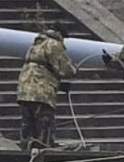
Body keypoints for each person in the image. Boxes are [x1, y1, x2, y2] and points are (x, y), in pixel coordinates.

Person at [14, 22, 77, 152]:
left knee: (28, 125)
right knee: (45, 125)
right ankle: (44, 151)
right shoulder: (53, 44)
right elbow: (65, 68)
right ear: (59, 34)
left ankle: (26, 150)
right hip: (41, 93)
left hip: (25, 91)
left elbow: (43, 68)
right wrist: (75, 70)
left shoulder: (35, 44)